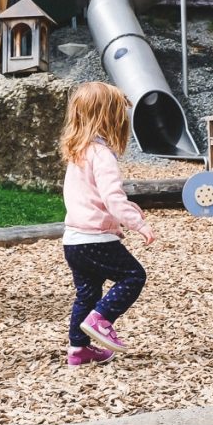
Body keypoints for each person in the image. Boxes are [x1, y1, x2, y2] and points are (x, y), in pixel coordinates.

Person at [59, 82, 156, 367]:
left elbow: (92, 197)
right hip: (96, 240)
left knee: (87, 293)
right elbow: (112, 198)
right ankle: (101, 320)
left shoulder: (78, 152)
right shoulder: (102, 154)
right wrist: (138, 224)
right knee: (133, 276)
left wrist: (127, 208)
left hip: (74, 241)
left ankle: (78, 349)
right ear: (109, 117)